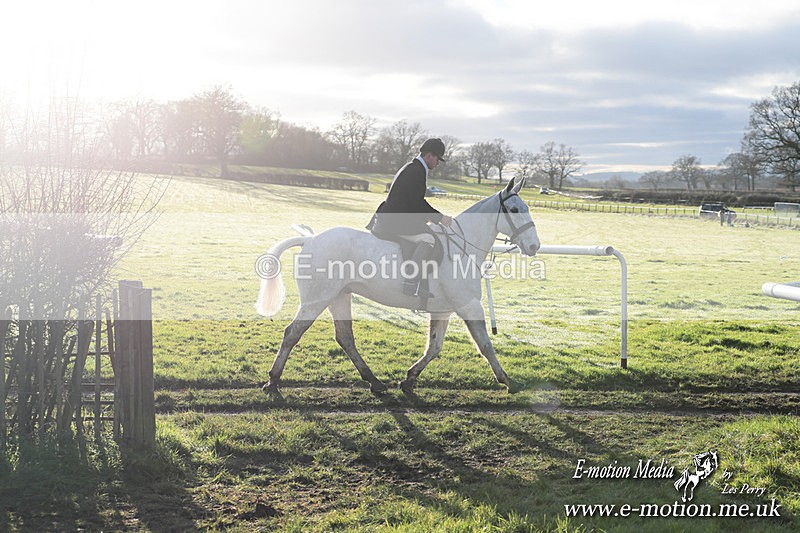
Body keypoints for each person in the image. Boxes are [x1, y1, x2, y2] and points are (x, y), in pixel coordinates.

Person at [368, 138, 453, 298]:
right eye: (437, 159)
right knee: (429, 239)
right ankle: (411, 283)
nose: (437, 163)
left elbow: (410, 202)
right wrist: (440, 218)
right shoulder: (416, 171)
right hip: (394, 222)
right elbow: (417, 203)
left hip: (395, 217)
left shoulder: (413, 167)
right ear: (429, 155)